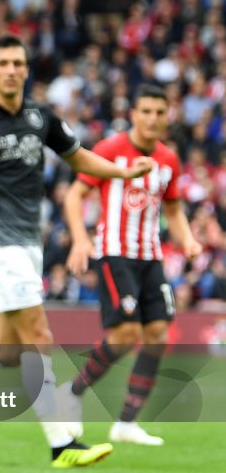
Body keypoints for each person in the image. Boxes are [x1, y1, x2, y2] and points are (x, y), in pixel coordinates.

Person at [0, 34, 154, 468]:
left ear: (26, 67)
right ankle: (62, 444)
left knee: (9, 352)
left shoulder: (42, 118)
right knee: (39, 335)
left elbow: (79, 159)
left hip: (28, 245)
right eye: (3, 62)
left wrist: (124, 171)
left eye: (19, 62)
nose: (12, 70)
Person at [60, 85, 202, 445]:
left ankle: (125, 423)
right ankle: (71, 394)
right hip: (115, 253)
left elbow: (172, 207)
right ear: (134, 114)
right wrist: (80, 238)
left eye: (160, 112)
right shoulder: (110, 150)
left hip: (151, 257)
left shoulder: (169, 158)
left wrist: (186, 239)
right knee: (124, 335)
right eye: (147, 111)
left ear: (167, 116)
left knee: (157, 334)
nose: (153, 118)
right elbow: (76, 195)